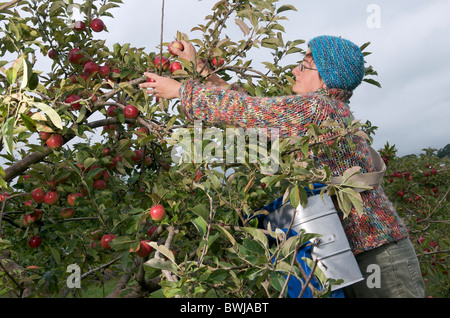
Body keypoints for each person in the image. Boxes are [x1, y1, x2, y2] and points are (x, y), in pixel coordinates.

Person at [139, 35, 425, 298]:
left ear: (326, 78)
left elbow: (250, 111)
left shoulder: (319, 108)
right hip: (349, 253)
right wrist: (200, 69)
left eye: (304, 66)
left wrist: (181, 91)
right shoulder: (323, 112)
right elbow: (255, 111)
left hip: (379, 255)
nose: (295, 71)